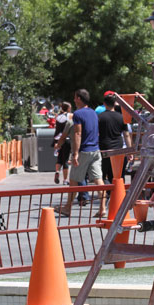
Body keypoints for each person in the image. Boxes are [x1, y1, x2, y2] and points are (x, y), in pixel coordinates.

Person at [54, 89, 106, 217]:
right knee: (98, 180)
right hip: (95, 150)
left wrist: (75, 153)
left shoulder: (77, 114)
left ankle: (67, 208)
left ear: (79, 98)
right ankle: (103, 209)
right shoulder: (93, 113)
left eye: (75, 97)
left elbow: (78, 133)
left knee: (73, 181)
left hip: (84, 151)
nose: (74, 100)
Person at [52, 102, 72, 185]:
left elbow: (55, 127)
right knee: (66, 160)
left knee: (59, 158)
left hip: (57, 139)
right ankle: (65, 180)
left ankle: (57, 171)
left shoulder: (57, 116)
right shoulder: (70, 115)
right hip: (66, 139)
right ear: (68, 108)